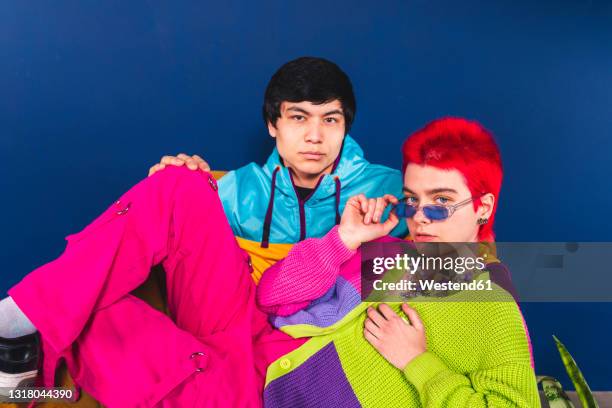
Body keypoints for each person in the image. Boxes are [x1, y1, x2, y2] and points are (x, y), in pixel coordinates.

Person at [0, 57, 406, 406]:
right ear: (273, 125)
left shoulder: (389, 190)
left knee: (96, 314)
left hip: (297, 341)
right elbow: (168, 227)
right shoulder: (236, 187)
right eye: (298, 117)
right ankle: (28, 316)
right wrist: (167, 185)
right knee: (179, 181)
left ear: (345, 127)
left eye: (329, 120)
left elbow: (449, 247)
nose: (314, 136)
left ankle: (29, 328)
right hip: (231, 316)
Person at [256, 117, 540, 407]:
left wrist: (417, 361)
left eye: (441, 201)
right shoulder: (383, 253)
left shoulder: (493, 307)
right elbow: (270, 296)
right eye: (412, 201)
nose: (420, 218)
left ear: (483, 207)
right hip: (253, 376)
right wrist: (345, 238)